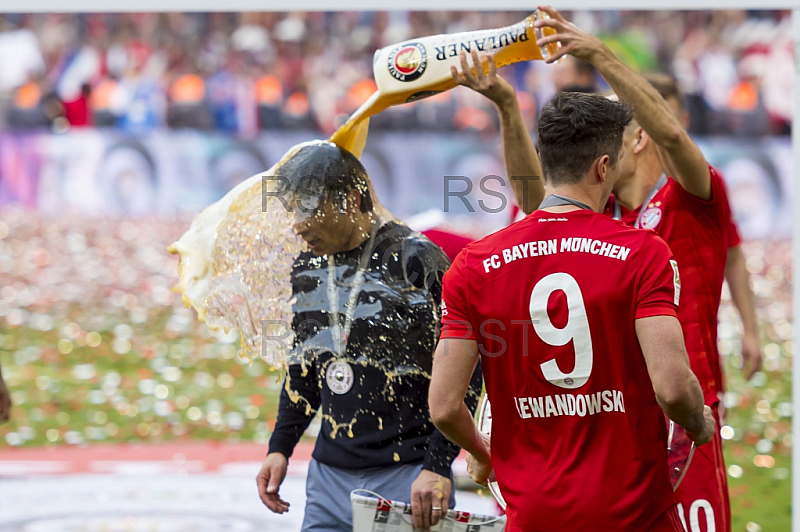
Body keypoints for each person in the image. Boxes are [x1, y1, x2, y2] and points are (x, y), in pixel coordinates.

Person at [429, 90, 715, 532]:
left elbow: (445, 407)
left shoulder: (474, 265)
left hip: (534, 514)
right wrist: (698, 424)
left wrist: (485, 456)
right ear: (603, 167)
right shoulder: (641, 252)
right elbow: (674, 388)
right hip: (634, 514)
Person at [255, 142, 481, 532]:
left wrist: (439, 465)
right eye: (292, 209)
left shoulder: (417, 259)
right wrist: (280, 447)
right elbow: (303, 367)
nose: (297, 224)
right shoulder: (307, 268)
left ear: (353, 198)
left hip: (408, 476)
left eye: (308, 208)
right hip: (328, 474)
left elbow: (468, 366)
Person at [643, 72, 762, 382]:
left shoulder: (704, 185)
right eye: (651, 119)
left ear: (683, 120)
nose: (662, 130)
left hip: (695, 356)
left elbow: (733, 256)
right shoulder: (615, 190)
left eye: (667, 119)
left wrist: (749, 330)